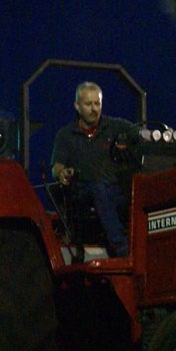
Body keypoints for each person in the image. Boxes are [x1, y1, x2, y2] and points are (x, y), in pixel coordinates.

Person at [51, 82, 133, 257]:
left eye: (97, 103)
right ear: (77, 106)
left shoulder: (117, 127)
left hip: (115, 189)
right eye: (89, 104)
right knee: (99, 188)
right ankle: (123, 249)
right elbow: (57, 166)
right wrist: (61, 173)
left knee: (137, 189)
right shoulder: (66, 135)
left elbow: (140, 134)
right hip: (83, 191)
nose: (94, 109)